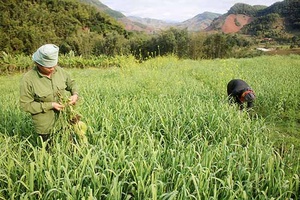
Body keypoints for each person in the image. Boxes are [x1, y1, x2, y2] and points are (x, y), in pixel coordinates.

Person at [20, 44, 79, 142]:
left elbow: (72, 83)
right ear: (38, 64)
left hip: (65, 122)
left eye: (54, 65)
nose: (52, 69)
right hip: (45, 127)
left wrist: (75, 95)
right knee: (51, 154)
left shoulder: (60, 71)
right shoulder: (28, 79)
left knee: (72, 148)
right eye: (48, 67)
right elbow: (26, 105)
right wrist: (50, 105)